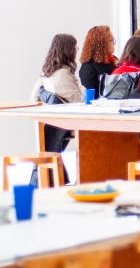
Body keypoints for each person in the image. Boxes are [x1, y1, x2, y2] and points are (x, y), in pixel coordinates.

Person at [30, 34, 84, 182]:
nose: (76, 51)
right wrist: (83, 90)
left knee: (50, 151)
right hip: (68, 123)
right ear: (68, 50)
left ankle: (53, 180)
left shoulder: (46, 72)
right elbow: (79, 100)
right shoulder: (63, 74)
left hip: (52, 123)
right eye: (76, 48)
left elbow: (34, 97)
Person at [79, 25, 117, 99]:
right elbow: (92, 97)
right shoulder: (88, 68)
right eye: (112, 40)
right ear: (102, 44)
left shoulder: (114, 60)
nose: (114, 43)